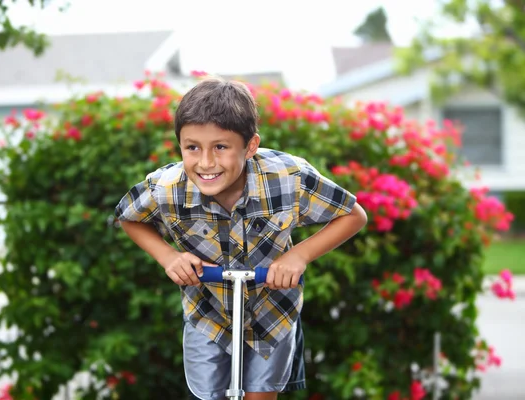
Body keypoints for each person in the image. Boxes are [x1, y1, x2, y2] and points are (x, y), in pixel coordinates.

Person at [115, 77, 368, 400]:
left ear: (250, 146)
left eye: (220, 147)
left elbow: (353, 215)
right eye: (192, 147)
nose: (206, 162)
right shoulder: (167, 187)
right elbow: (128, 217)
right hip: (207, 312)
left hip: (272, 310)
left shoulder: (287, 177)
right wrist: (168, 257)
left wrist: (298, 256)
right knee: (209, 396)